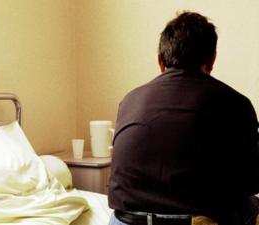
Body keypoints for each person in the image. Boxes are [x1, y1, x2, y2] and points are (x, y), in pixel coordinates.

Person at [108, 11, 259, 225]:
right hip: (194, 221)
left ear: (160, 61)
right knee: (250, 204)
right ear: (212, 60)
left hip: (124, 220)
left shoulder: (129, 100)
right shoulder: (235, 103)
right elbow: (250, 180)